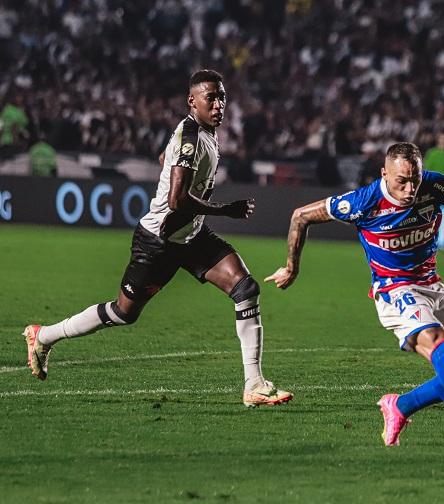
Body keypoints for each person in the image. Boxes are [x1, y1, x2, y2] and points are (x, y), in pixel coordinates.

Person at [23, 70, 292, 408]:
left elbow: (166, 159)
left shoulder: (202, 133)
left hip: (191, 235)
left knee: (245, 288)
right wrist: (226, 210)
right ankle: (44, 335)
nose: (219, 104)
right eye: (211, 98)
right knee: (124, 312)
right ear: (192, 101)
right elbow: (176, 200)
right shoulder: (192, 137)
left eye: (222, 97)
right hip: (158, 241)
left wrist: (172, 164)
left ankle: (254, 384)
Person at [265, 142, 444, 445]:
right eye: (401, 181)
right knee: (441, 347)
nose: (409, 189)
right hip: (394, 290)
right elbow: (300, 216)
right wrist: (292, 268)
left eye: (414, 180)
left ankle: (400, 406)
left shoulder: (436, 186)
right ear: (384, 174)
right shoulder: (363, 201)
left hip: (432, 285)